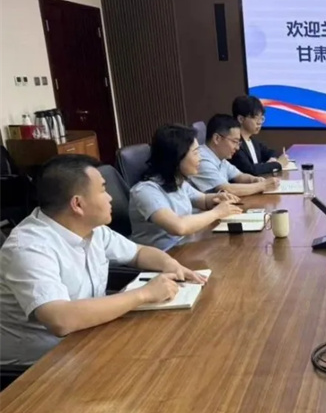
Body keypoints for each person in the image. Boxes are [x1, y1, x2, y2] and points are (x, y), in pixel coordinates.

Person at [0, 155, 207, 367]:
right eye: (102, 190)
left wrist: (171, 265)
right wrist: (144, 294)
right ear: (78, 204)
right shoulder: (28, 248)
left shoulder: (93, 229)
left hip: (91, 340)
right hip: (40, 367)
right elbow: (60, 319)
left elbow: (138, 253)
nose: (110, 198)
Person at [129, 124, 243, 251]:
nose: (200, 158)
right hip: (163, 256)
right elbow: (179, 227)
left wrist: (217, 198)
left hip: (185, 247)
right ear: (177, 157)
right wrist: (216, 213)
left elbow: (203, 200)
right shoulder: (145, 191)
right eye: (195, 153)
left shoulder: (177, 181)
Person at [189, 114, 279, 196]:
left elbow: (238, 176)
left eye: (238, 143)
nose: (237, 148)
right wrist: (263, 186)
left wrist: (254, 179)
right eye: (234, 142)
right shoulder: (201, 159)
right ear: (217, 139)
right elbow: (227, 189)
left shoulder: (219, 157)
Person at [230, 95, 289, 176]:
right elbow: (250, 170)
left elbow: (271, 152)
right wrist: (277, 164)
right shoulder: (235, 144)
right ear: (241, 119)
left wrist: (272, 159)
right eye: (255, 118)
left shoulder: (253, 142)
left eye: (261, 118)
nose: (259, 122)